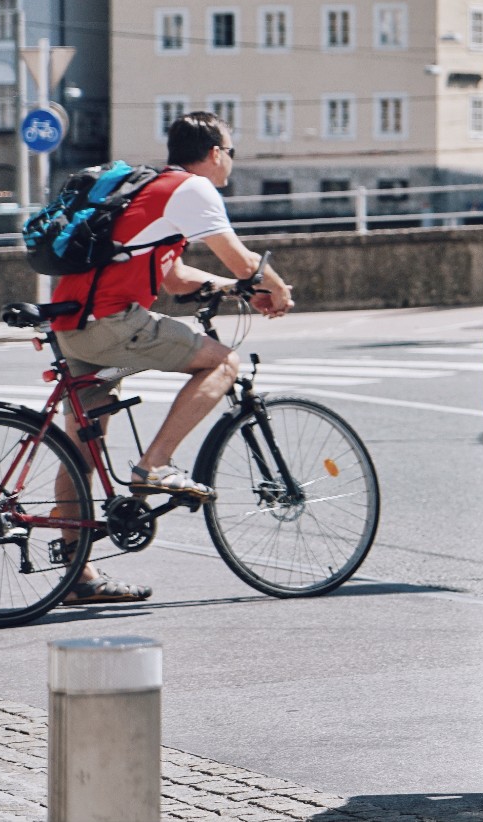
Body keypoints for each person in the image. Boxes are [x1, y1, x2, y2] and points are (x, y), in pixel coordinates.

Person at [49, 110, 295, 605]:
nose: (230, 163)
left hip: (72, 323)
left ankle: (78, 576)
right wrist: (276, 288)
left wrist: (233, 290)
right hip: (110, 321)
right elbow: (242, 259)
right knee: (223, 362)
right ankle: (154, 466)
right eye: (231, 152)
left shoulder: (154, 190)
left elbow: (175, 277)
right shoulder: (194, 189)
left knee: (82, 447)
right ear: (215, 153)